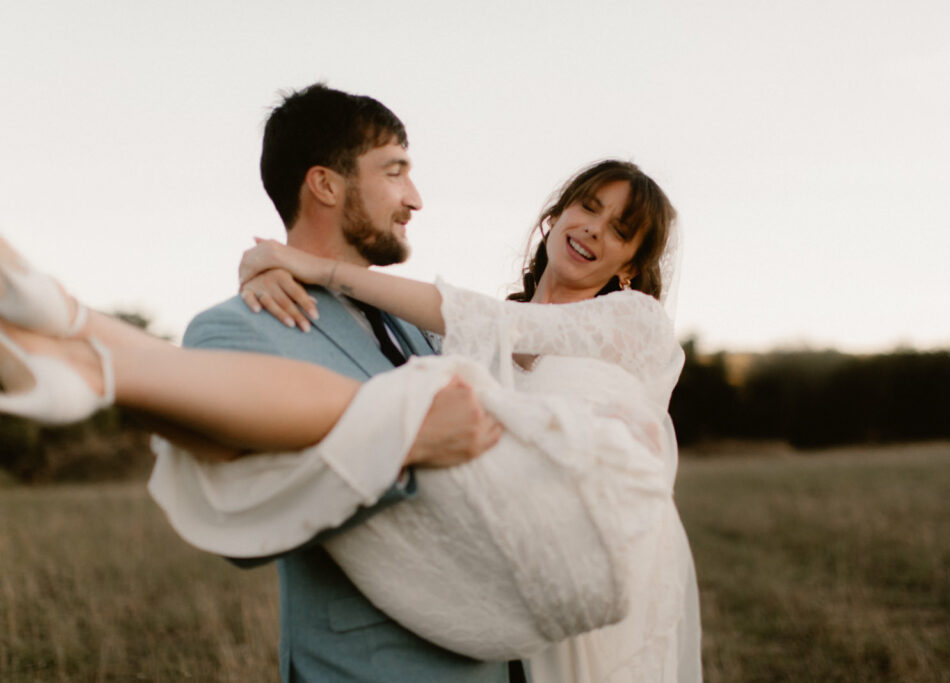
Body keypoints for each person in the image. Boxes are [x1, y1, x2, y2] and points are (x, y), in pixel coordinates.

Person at [0, 157, 701, 681]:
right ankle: (84, 350)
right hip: (512, 555)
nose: (594, 231)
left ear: (632, 268)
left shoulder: (634, 322)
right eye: (588, 207)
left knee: (394, 410)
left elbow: (476, 316)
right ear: (558, 213)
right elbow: (442, 326)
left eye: (620, 232)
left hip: (597, 540)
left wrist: (307, 265)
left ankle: (88, 342)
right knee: (349, 427)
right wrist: (263, 271)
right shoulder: (472, 338)